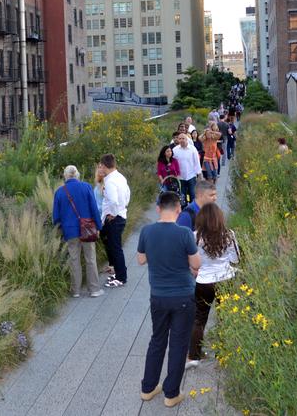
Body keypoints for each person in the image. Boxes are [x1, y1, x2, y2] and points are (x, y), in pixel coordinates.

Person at [137, 191, 201, 408]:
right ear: (178, 209)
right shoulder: (184, 233)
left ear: (157, 209)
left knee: (157, 340)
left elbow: (141, 259)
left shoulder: (147, 231)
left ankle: (148, 388)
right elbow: (196, 264)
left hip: (158, 297)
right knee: (178, 343)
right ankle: (171, 394)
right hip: (183, 296)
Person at [187, 203, 239, 367]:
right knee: (225, 316)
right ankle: (223, 353)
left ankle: (194, 356)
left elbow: (192, 262)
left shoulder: (195, 236)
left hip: (203, 281)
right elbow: (236, 259)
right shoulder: (229, 235)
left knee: (199, 318)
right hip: (225, 279)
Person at [52, 166, 105, 298]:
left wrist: (61, 228)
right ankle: (94, 290)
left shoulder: (59, 192)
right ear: (77, 175)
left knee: (74, 260)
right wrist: (98, 226)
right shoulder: (86, 187)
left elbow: (56, 217)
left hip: (70, 232)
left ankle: (75, 291)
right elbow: (94, 208)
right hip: (87, 229)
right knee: (90, 258)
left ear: (65, 176)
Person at [100, 154, 131, 288]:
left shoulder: (110, 181)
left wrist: (113, 213)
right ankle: (118, 271)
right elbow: (127, 194)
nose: (100, 168)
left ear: (105, 166)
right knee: (110, 243)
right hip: (120, 214)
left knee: (116, 247)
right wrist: (122, 207)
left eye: (100, 165)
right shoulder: (120, 177)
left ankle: (121, 277)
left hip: (114, 218)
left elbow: (113, 200)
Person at [172, 134, 202, 206]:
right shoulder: (175, 150)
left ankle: (194, 209)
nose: (181, 140)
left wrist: (199, 174)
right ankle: (184, 210)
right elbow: (172, 162)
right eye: (180, 139)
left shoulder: (192, 149)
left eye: (183, 138)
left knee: (192, 194)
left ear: (187, 139)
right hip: (180, 177)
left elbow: (197, 162)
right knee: (182, 195)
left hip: (191, 175)